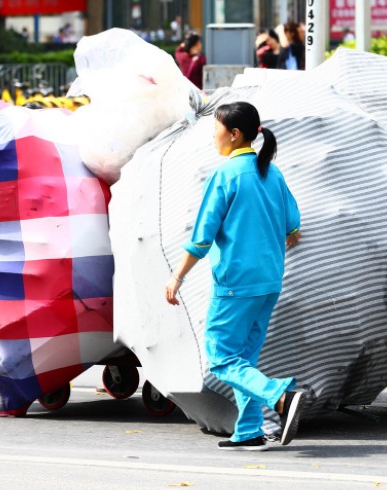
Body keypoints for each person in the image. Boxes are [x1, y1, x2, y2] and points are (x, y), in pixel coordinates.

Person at [164, 101, 305, 450]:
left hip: (236, 284)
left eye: (216, 130)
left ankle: (280, 397)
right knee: (244, 358)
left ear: (234, 134)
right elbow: (294, 229)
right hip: (269, 282)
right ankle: (250, 429)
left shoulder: (226, 175)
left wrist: (176, 278)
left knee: (221, 358)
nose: (214, 137)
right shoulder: (272, 173)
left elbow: (201, 238)